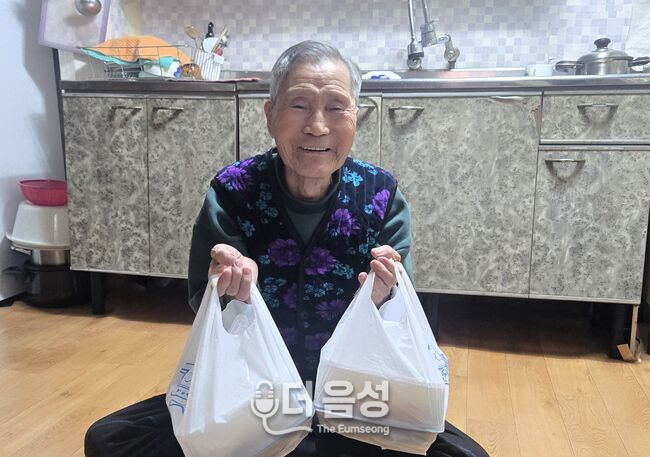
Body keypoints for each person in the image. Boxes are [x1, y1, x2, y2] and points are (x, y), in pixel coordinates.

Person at [85, 40, 489, 457]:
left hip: (355, 394)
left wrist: (385, 297)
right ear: (270, 115)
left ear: (355, 116)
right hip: (257, 392)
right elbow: (207, 306)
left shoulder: (381, 195)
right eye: (299, 105)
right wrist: (230, 291)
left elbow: (400, 319)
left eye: (336, 107)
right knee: (111, 439)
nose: (317, 126)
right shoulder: (233, 191)